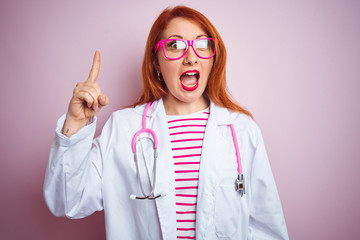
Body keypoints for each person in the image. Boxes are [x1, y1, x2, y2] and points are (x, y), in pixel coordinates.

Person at [44, 5, 289, 240]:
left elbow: (267, 229)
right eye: (174, 45)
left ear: (212, 59)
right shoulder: (123, 128)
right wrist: (74, 124)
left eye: (202, 44)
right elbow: (67, 201)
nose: (191, 57)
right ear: (156, 63)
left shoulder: (242, 131)